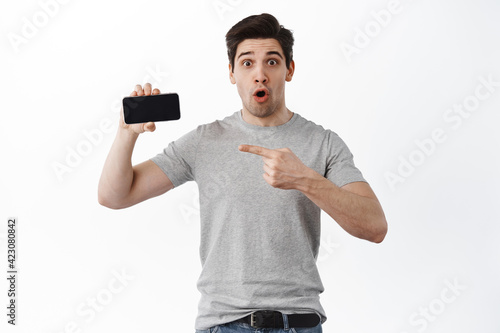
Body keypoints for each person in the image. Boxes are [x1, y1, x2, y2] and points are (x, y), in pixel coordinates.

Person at [98, 13, 387, 333]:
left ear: (289, 70)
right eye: (247, 63)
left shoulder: (324, 143)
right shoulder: (204, 141)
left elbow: (374, 227)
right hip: (224, 325)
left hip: (300, 323)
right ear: (232, 73)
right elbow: (115, 195)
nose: (260, 74)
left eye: (272, 62)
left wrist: (304, 179)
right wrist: (127, 134)